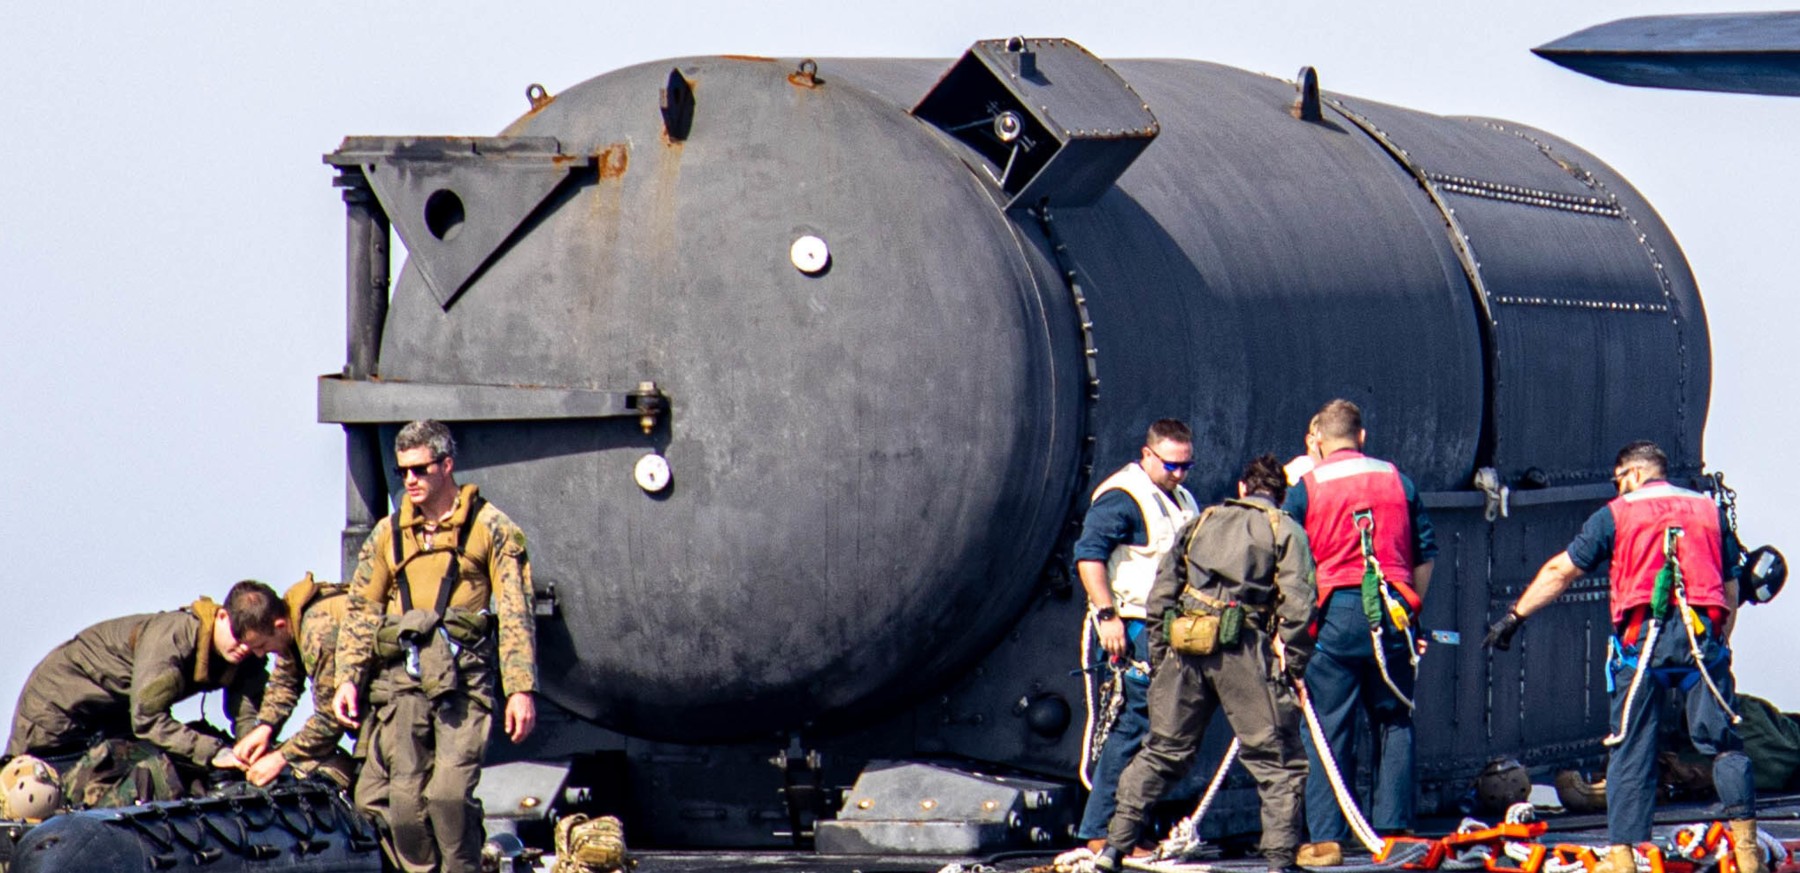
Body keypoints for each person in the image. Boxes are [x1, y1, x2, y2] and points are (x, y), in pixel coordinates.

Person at [1485, 441, 1760, 873]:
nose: (1617, 490)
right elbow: (1729, 586)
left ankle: (1624, 858)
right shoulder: (1708, 510)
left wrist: (1513, 617)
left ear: (1632, 474)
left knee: (1631, 750)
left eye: (1618, 482)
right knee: (1724, 745)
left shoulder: (1616, 514)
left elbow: (1561, 571)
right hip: (1701, 644)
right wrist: (1721, 642)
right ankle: (1748, 852)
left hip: (1641, 646)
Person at [331, 419, 539, 873]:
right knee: (405, 806)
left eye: (421, 469)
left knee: (448, 796)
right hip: (404, 682)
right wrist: (346, 679)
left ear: (447, 466)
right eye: (403, 470)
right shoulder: (388, 534)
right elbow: (361, 610)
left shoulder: (492, 528)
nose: (410, 480)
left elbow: (516, 613)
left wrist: (520, 689)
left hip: (464, 682)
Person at [1096, 454, 1318, 873]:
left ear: (1242, 488)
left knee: (1162, 751)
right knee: (1277, 759)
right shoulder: (1284, 529)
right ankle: (1280, 862)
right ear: (1280, 495)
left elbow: (1162, 593)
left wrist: (1161, 656)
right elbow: (1300, 607)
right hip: (1244, 652)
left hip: (1185, 649)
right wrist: (1294, 665)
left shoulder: (1200, 522)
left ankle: (1113, 848)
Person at [1283, 399, 1434, 866]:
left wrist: (1289, 629)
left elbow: (1288, 560)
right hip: (1393, 609)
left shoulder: (1307, 487)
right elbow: (1424, 553)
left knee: (1328, 728)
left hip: (1334, 613)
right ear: (1362, 436)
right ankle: (1396, 829)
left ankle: (1327, 838)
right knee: (1394, 719)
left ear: (1319, 442)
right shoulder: (1397, 480)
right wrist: (1412, 612)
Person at [5, 580, 291, 807]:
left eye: (251, 641)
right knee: (34, 793)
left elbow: (248, 713)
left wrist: (251, 750)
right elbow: (148, 720)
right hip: (59, 711)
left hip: (114, 715)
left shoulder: (247, 650)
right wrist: (214, 752)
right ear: (222, 616)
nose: (244, 647)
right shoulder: (172, 641)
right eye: (237, 635)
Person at [1072, 418, 1201, 854]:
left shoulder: (1180, 496)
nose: (1180, 473)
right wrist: (1107, 617)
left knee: (1158, 734)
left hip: (1171, 630)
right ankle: (1102, 831)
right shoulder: (1123, 498)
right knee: (1132, 728)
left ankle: (1129, 828)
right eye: (1171, 465)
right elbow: (1089, 557)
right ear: (1147, 455)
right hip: (1134, 627)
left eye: (1187, 465)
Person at [232, 573, 356, 788]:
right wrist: (264, 727)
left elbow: (330, 718)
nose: (261, 655)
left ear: (278, 626)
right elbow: (285, 680)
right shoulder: (291, 617)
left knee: (371, 798)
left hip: (395, 701)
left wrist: (281, 757)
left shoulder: (318, 632)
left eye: (261, 646)